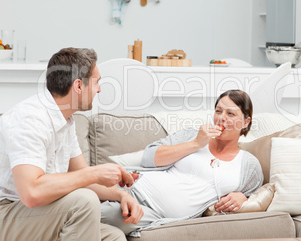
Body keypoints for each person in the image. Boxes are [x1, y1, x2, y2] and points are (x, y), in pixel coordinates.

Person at [0, 47, 143, 241]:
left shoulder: (65, 121)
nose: (99, 89)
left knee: (114, 236)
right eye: (97, 82)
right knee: (84, 202)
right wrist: (95, 173)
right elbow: (32, 192)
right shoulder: (29, 119)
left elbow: (83, 178)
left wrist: (121, 195)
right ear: (79, 86)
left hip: (32, 214)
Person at [100, 89, 264, 237]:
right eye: (218, 111)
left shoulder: (248, 165)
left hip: (153, 214)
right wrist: (195, 144)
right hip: (133, 187)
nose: (221, 118)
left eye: (231, 114)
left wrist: (243, 197)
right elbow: (149, 157)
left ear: (246, 122)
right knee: (84, 192)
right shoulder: (192, 135)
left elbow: (257, 194)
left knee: (104, 214)